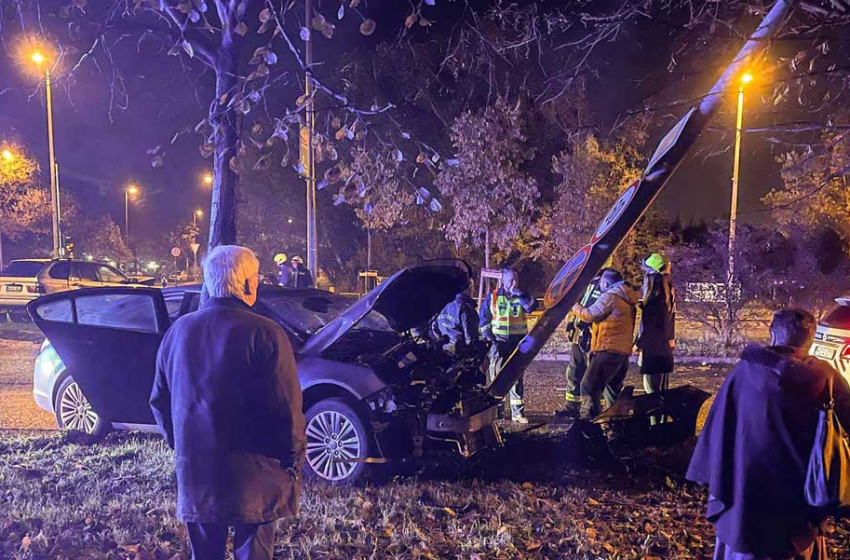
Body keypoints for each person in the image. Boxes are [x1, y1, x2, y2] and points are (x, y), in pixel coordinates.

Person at [150, 245, 306, 560]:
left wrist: (182, 447)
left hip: (198, 472)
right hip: (258, 474)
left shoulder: (178, 332)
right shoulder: (267, 333)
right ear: (248, 284)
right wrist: (293, 460)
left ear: (210, 284)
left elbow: (160, 401)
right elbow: (287, 410)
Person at [687, 308, 850, 560]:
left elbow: (719, 425)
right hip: (798, 504)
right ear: (811, 338)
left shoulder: (744, 372)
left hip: (744, 497)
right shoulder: (825, 378)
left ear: (773, 335)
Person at [571, 268, 638, 419]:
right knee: (612, 391)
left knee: (588, 387)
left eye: (601, 282)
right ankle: (615, 425)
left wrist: (573, 305)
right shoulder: (627, 298)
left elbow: (589, 315)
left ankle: (590, 425)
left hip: (608, 350)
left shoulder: (610, 297)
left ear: (606, 282)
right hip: (621, 353)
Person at [480, 267, 538, 423]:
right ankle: (496, 412)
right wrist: (491, 340)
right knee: (496, 378)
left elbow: (532, 307)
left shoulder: (522, 295)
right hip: (498, 341)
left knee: (516, 376)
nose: (514, 282)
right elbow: (484, 320)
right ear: (503, 280)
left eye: (516, 279)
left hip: (517, 342)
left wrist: (520, 294)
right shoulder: (492, 296)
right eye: (511, 279)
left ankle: (517, 413)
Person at [558, 274, 603, 418]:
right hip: (579, 337)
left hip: (592, 338)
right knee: (574, 373)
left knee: (591, 377)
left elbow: (597, 312)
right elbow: (574, 307)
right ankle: (571, 407)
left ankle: (592, 410)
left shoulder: (604, 286)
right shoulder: (587, 283)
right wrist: (570, 324)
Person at [635, 253, 676, 397]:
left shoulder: (654, 294)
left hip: (653, 349)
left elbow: (647, 324)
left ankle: (655, 419)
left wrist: (639, 343)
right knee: (662, 391)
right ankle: (661, 418)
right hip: (663, 348)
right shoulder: (667, 290)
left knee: (652, 392)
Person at [432, 286, 479, 351]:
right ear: (469, 288)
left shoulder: (442, 302)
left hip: (444, 350)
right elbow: (470, 337)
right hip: (459, 351)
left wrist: (442, 343)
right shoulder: (465, 308)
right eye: (473, 287)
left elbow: (434, 327)